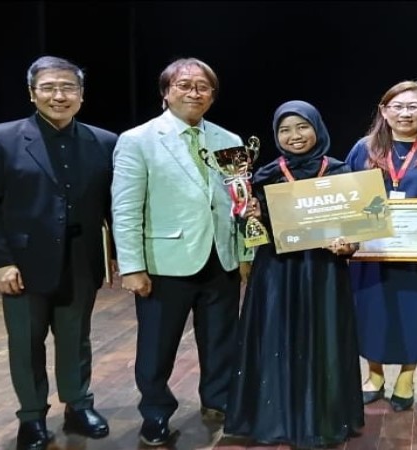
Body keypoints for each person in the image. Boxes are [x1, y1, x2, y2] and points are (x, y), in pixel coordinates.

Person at [0, 56, 117, 450]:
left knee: (76, 337)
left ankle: (78, 405)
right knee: (25, 342)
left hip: (81, 257)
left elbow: (113, 205)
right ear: (32, 93)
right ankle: (32, 416)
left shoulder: (105, 142)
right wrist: (0, 261)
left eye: (68, 87)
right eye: (48, 87)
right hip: (22, 263)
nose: (59, 96)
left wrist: (116, 254)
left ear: (82, 95)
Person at [111, 57, 253, 447]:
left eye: (203, 87)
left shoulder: (229, 140)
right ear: (166, 93)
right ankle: (155, 414)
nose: (194, 92)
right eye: (184, 85)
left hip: (221, 257)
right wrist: (131, 266)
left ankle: (219, 400)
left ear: (212, 96)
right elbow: (126, 208)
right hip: (165, 263)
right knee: (157, 347)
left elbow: (241, 203)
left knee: (222, 340)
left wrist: (245, 254)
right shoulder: (138, 140)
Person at [224, 100, 365, 447]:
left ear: (318, 128)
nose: (294, 135)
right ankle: (276, 420)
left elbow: (355, 230)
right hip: (277, 271)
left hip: (324, 272)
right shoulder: (264, 174)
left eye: (302, 126)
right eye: (285, 130)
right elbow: (253, 231)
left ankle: (324, 420)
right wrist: (250, 213)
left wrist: (347, 245)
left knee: (324, 338)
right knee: (276, 338)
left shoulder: (340, 171)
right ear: (276, 135)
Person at [346, 80, 417, 412]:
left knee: (413, 314)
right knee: (371, 313)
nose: (405, 113)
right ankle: (375, 375)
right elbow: (346, 198)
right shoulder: (363, 149)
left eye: (413, 106)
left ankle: (407, 378)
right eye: (397, 106)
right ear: (384, 111)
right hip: (372, 254)